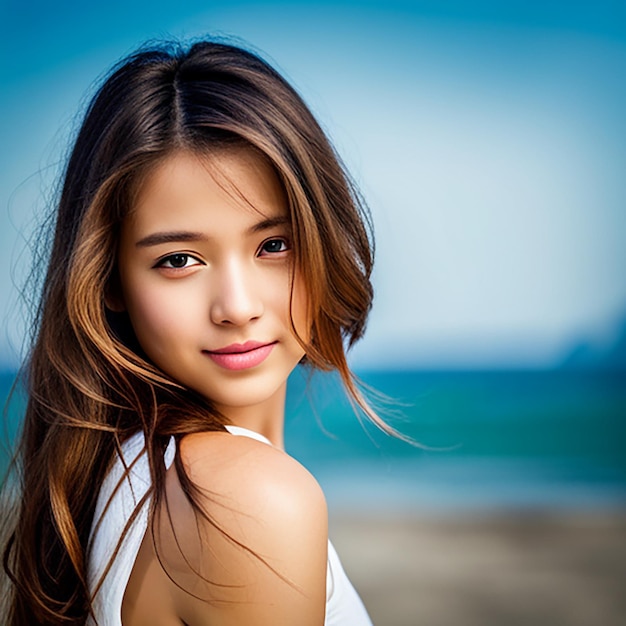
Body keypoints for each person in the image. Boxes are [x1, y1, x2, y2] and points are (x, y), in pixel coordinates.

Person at [1, 38, 393, 625]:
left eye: (274, 245)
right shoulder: (248, 502)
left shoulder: (120, 468)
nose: (236, 307)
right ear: (108, 279)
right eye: (179, 259)